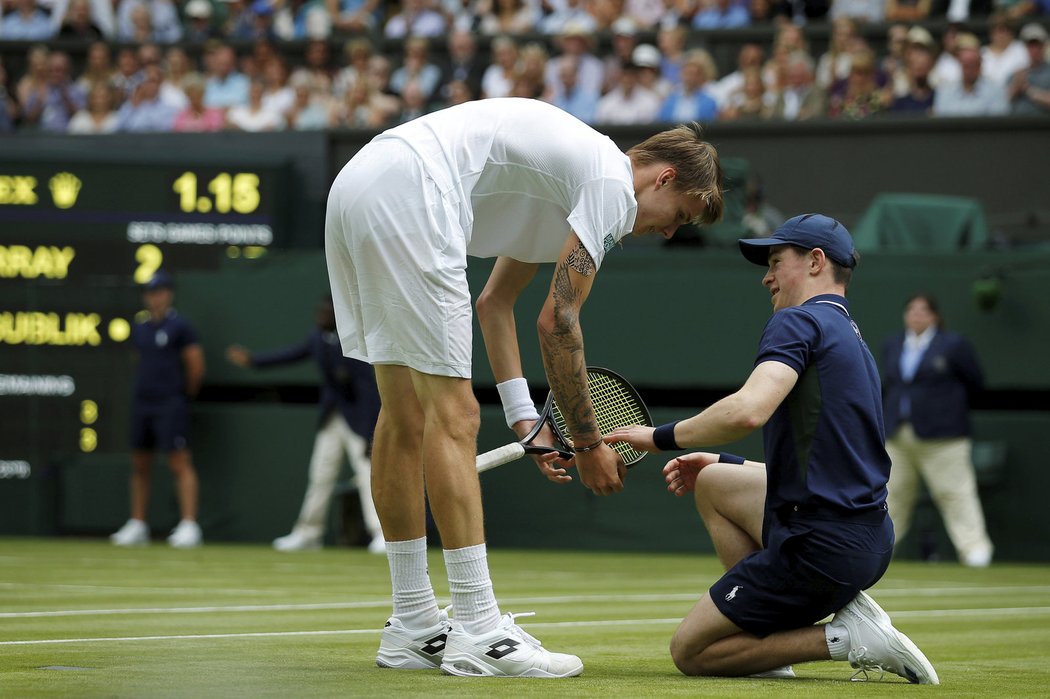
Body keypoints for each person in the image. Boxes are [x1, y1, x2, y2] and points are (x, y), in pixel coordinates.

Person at [325, 97, 724, 678]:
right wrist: (589, 447)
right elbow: (557, 322)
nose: (667, 231)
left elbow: (496, 303)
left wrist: (524, 420)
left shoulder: (566, 187)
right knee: (455, 415)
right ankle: (481, 631)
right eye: (679, 214)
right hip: (414, 190)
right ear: (664, 176)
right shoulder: (610, 187)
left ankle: (413, 625)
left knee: (405, 414)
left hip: (360, 185)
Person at [606, 214, 939, 684]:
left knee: (692, 652)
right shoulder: (851, 338)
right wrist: (725, 460)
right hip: (867, 537)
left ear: (816, 262)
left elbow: (747, 410)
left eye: (776, 262)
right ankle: (770, 644)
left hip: (819, 546)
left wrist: (656, 436)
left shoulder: (796, 322)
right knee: (715, 482)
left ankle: (844, 639)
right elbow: (830, 458)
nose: (766, 276)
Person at [226, 295, 384, 554]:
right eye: (320, 309)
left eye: (326, 310)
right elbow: (291, 354)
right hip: (332, 419)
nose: (320, 314)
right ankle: (308, 533)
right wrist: (253, 361)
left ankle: (381, 534)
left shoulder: (356, 342)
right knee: (321, 475)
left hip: (359, 421)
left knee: (368, 476)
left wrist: (371, 435)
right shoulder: (316, 338)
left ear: (339, 315)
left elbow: (369, 391)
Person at [880, 293, 994, 568]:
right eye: (912, 309)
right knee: (891, 496)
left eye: (924, 310)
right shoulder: (892, 344)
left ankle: (975, 551)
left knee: (955, 493)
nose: (917, 314)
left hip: (944, 437)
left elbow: (976, 384)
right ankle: (881, 553)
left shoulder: (954, 345)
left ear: (934, 316)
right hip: (898, 435)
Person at [111, 271, 205, 549]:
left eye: (160, 291)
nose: (155, 297)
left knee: (179, 462)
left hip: (170, 403)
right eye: (150, 292)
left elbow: (195, 367)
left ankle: (189, 524)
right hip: (143, 403)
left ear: (169, 294)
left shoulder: (182, 327)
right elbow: (138, 360)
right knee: (140, 464)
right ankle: (138, 523)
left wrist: (182, 395)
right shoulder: (140, 328)